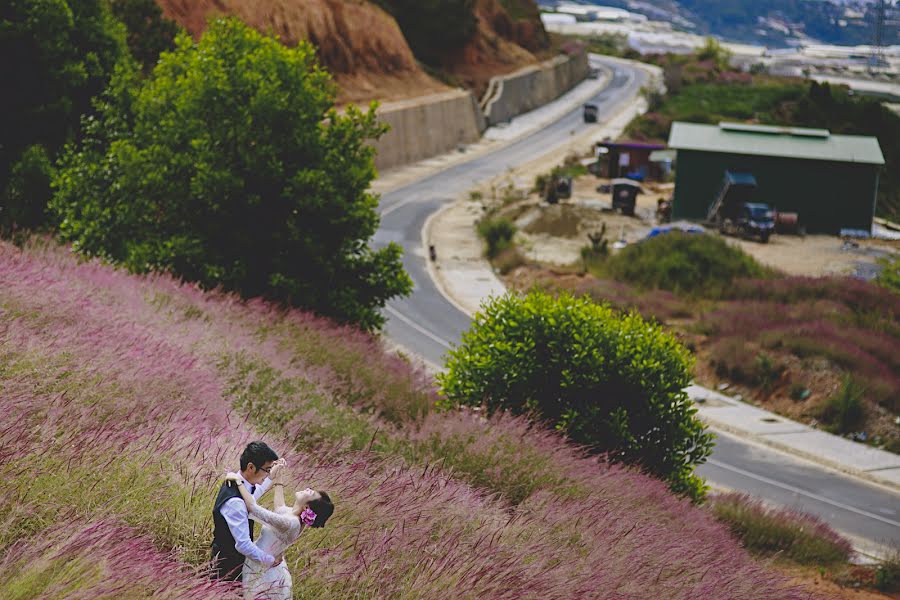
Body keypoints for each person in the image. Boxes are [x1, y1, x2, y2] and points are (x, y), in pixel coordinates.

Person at [224, 464, 334, 600]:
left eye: (310, 493)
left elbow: (253, 508)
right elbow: (280, 506)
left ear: (306, 506)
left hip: (262, 570)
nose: (307, 489)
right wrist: (278, 476)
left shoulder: (291, 523)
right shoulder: (292, 515)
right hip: (265, 564)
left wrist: (239, 481)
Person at [210, 441, 281, 583]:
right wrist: (270, 560)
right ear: (250, 467)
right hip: (227, 566)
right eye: (266, 470)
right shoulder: (235, 502)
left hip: (232, 562)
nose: (267, 474)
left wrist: (272, 477)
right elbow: (243, 545)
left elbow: (252, 498)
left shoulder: (239, 483)